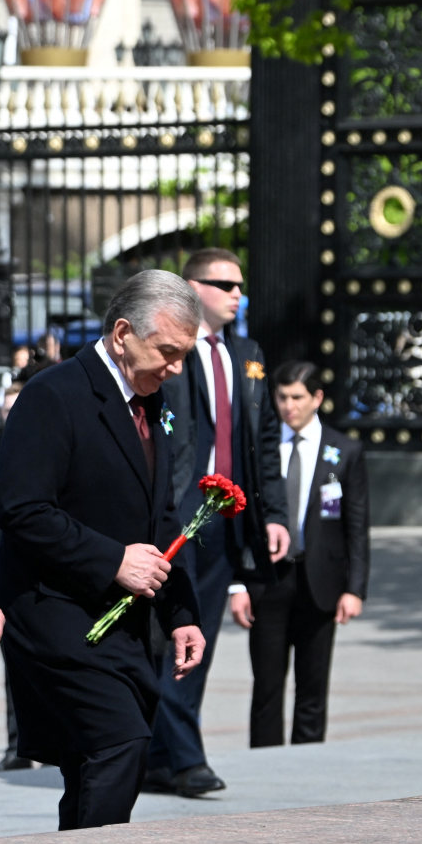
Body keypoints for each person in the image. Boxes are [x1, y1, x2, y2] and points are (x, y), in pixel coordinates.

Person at [0, 270, 204, 830]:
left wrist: (181, 613)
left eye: (185, 355)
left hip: (122, 625)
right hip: (58, 616)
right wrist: (113, 560)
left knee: (100, 762)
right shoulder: (53, 395)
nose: (176, 368)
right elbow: (22, 510)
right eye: (168, 352)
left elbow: (162, 518)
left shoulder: (148, 401)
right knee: (119, 743)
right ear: (122, 333)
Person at [147, 248, 288, 798]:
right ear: (192, 286)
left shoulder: (247, 355)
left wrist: (272, 514)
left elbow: (266, 444)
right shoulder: (170, 349)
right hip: (180, 514)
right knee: (170, 633)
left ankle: (165, 753)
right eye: (223, 283)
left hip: (228, 518)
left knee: (196, 639)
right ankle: (180, 757)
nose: (236, 294)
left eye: (239, 284)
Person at [233, 362, 367, 747]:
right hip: (268, 579)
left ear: (317, 399)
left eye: (297, 397)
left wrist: (354, 589)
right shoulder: (261, 448)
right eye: (281, 397)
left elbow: (356, 527)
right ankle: (264, 762)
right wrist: (237, 584)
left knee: (313, 684)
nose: (288, 406)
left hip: (320, 582)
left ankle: (308, 760)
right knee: (267, 684)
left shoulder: (344, 451)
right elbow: (241, 519)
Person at [0, 375, 33, 770]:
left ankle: (49, 739)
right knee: (13, 661)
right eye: (6, 408)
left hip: (41, 569)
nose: (11, 415)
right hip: (6, 569)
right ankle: (18, 744)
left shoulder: (40, 446)